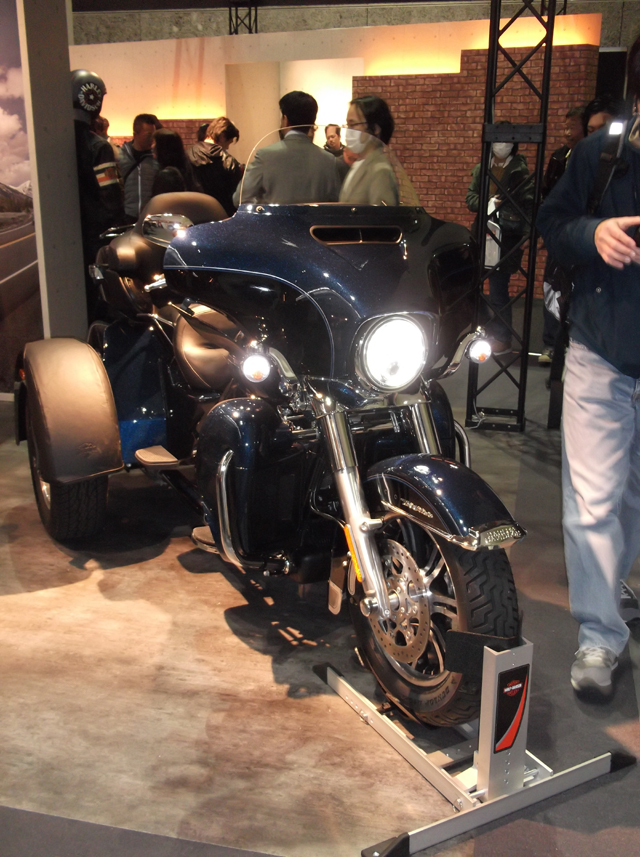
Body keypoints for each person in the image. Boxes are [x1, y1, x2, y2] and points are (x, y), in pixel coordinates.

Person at [536, 37, 640, 699]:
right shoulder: (602, 154)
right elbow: (553, 222)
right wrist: (592, 233)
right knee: (593, 501)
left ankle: (612, 589)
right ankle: (600, 633)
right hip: (600, 349)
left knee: (630, 499)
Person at [466, 125, 534, 354]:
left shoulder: (519, 171)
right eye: (497, 139)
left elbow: (530, 205)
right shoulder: (482, 168)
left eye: (506, 140)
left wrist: (528, 233)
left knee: (497, 289)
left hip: (507, 236)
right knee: (474, 286)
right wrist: (489, 201)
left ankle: (502, 337)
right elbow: (470, 198)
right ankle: (485, 330)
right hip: (483, 232)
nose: (501, 145)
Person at [71, 69, 125, 321]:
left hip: (66, 238)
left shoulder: (52, 143)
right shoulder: (98, 147)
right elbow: (111, 200)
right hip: (95, 239)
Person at [232, 91, 340, 206]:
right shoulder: (329, 160)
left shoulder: (265, 155)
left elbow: (239, 199)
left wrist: (263, 206)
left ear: (285, 119)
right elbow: (335, 202)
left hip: (275, 218)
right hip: (315, 218)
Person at [538, 107, 584, 365]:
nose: (567, 132)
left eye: (572, 127)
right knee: (553, 287)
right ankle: (551, 344)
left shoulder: (595, 158)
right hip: (559, 237)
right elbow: (547, 195)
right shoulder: (558, 158)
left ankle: (573, 344)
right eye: (565, 127)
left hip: (583, 238)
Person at [338, 95, 399, 206]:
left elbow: (382, 215)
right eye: (347, 125)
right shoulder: (360, 164)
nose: (348, 131)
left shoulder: (380, 171)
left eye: (353, 124)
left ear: (375, 128)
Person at [187, 117, 243, 216]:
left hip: (192, 214)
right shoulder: (229, 161)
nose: (227, 147)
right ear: (222, 136)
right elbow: (236, 197)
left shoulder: (187, 154)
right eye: (229, 143)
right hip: (221, 216)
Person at [119, 113, 162, 221]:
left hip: (150, 218)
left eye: (153, 135)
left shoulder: (156, 158)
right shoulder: (120, 156)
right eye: (148, 135)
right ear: (135, 134)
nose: (151, 139)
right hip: (126, 216)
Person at [151, 128, 201, 196]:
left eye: (155, 142)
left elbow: (160, 200)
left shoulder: (166, 176)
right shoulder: (186, 168)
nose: (152, 146)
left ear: (162, 147)